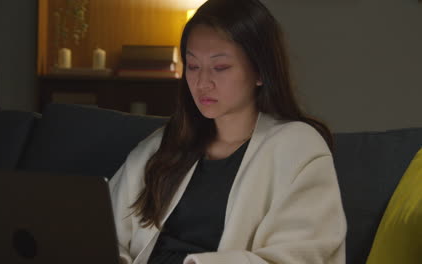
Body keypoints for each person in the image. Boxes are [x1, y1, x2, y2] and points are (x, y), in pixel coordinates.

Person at [109, 0, 347, 263]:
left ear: (259, 71)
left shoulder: (298, 147)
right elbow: (103, 233)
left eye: (220, 67)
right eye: (193, 66)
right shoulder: (162, 145)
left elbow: (300, 255)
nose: (202, 83)